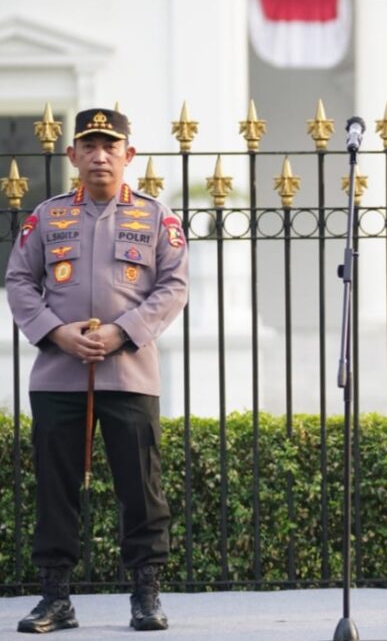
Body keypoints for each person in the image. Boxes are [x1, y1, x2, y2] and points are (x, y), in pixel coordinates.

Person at [6, 108, 189, 633]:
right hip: (58, 374)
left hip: (129, 372)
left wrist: (122, 331)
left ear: (129, 155)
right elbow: (19, 280)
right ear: (73, 156)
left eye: (111, 145)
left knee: (141, 488)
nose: (100, 154)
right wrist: (55, 331)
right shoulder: (47, 216)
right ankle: (55, 598)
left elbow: (174, 286)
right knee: (55, 488)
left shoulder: (157, 218)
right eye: (89, 145)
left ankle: (146, 596)